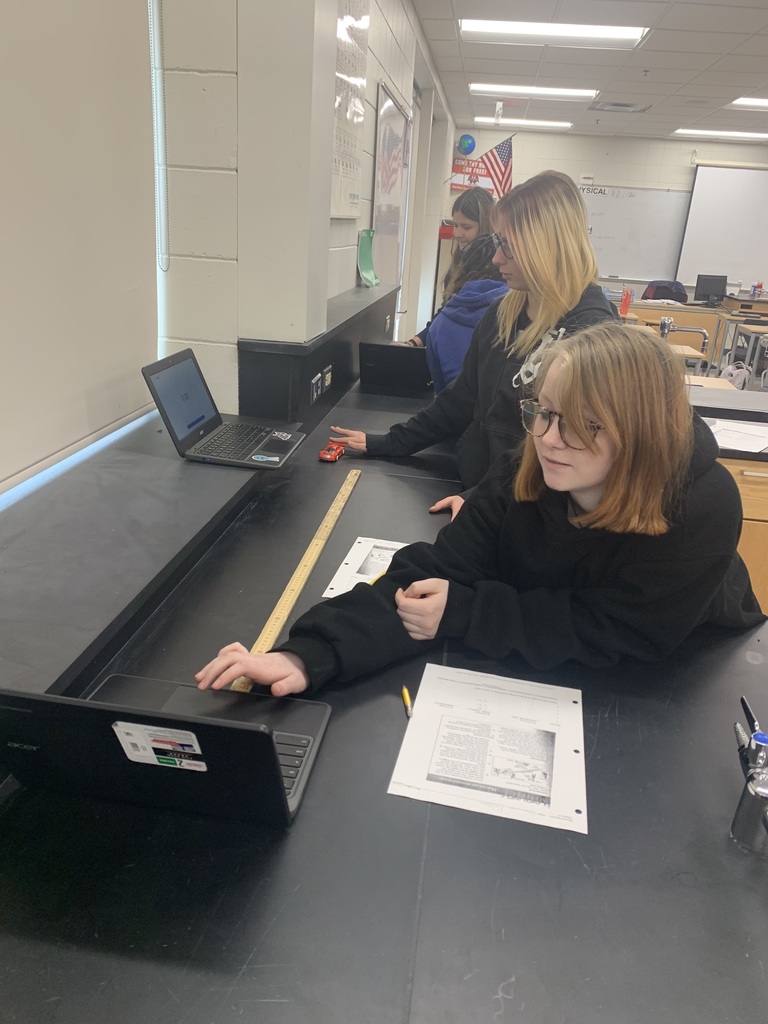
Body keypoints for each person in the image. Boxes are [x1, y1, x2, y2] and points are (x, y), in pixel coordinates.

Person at [195, 322, 764, 698]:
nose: (549, 438)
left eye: (584, 424)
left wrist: (471, 612)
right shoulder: (533, 464)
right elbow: (432, 579)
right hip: (547, 653)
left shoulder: (701, 504)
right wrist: (308, 656)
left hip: (676, 674)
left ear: (639, 432)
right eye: (543, 412)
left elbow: (626, 630)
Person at [330, 170, 618, 519]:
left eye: (508, 247)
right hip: (479, 493)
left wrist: (483, 498)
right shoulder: (503, 313)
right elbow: (460, 399)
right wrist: (387, 442)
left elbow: (564, 450)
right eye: (499, 244)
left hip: (533, 513)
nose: (496, 260)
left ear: (545, 245)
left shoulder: (592, 332)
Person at [416, 234, 507, 393]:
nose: (458, 233)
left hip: (453, 413)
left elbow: (440, 390)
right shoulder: (520, 313)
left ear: (464, 266)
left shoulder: (440, 323)